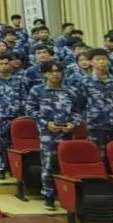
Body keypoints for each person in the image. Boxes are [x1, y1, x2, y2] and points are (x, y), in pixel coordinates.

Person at [26, 61, 82, 209]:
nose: (55, 74)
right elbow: (30, 111)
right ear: (45, 74)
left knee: (68, 165)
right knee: (49, 165)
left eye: (58, 71)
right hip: (47, 133)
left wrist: (73, 124)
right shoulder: (37, 90)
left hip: (67, 134)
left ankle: (68, 197)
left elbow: (77, 112)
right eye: (51, 71)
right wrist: (46, 123)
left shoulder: (70, 91)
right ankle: (49, 196)